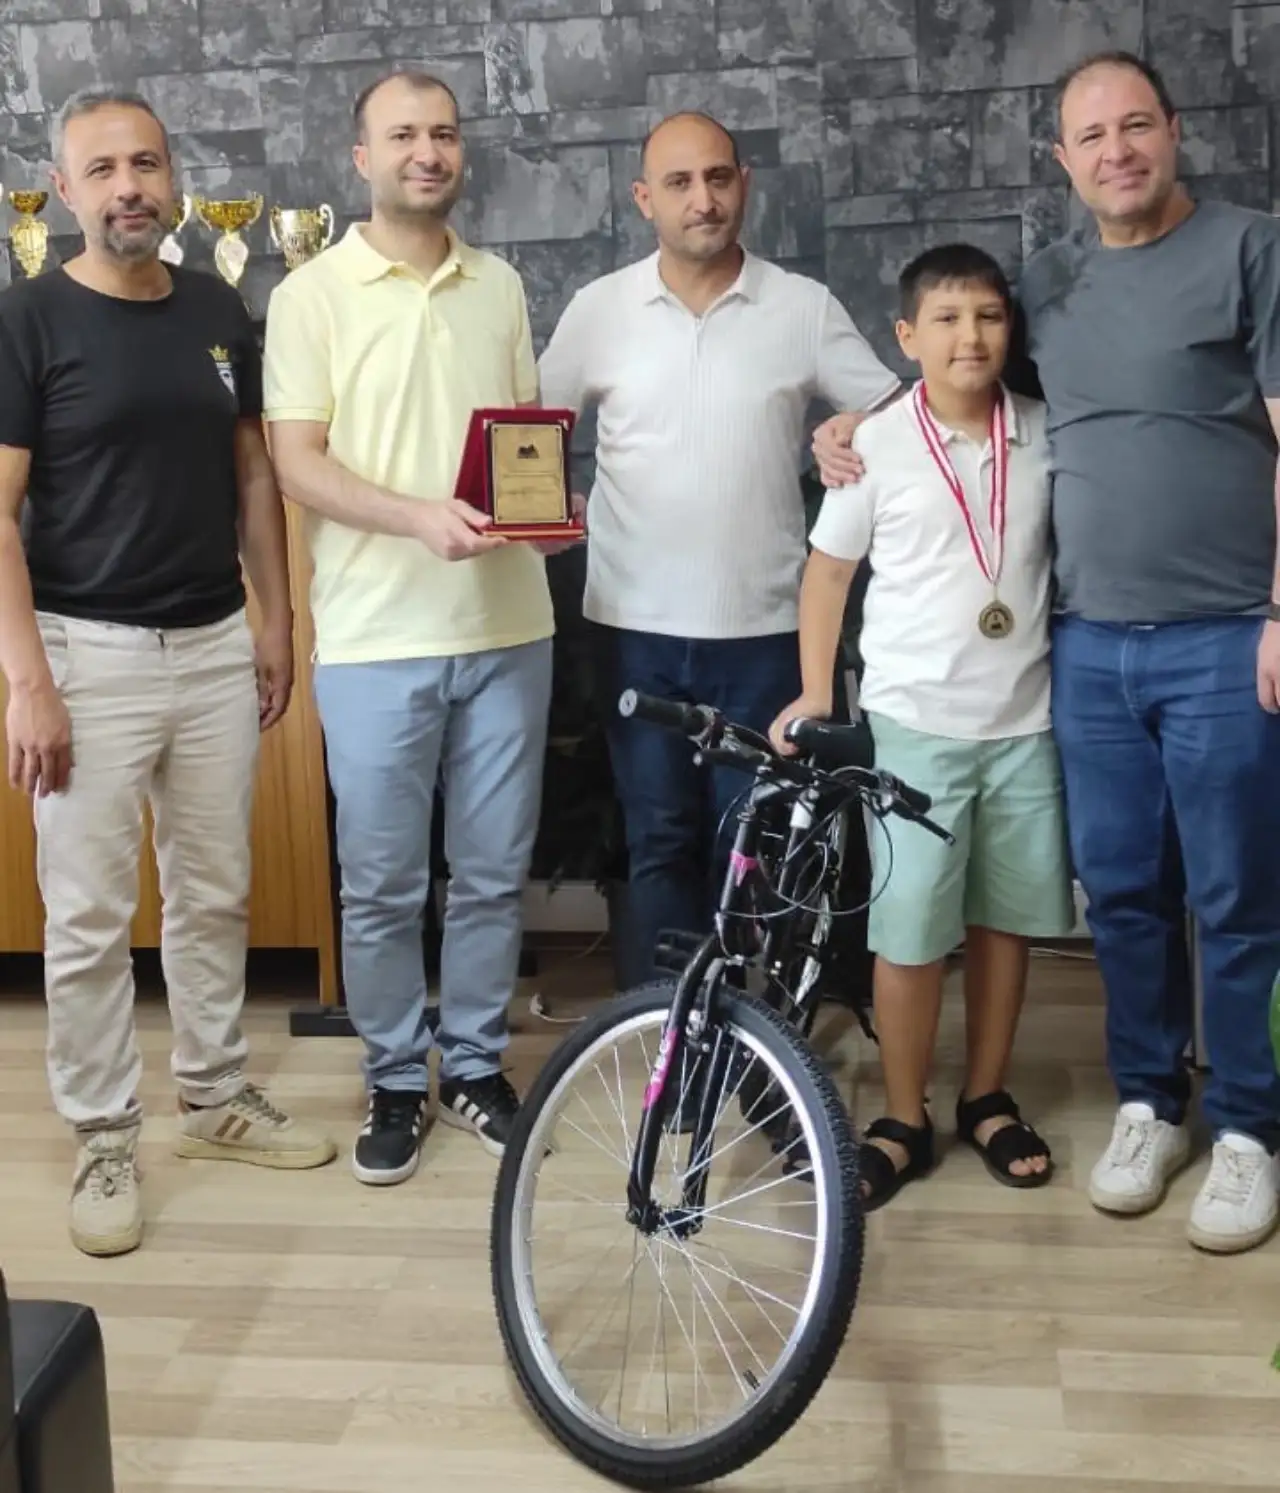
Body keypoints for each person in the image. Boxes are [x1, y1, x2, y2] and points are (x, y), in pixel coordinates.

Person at [812, 51, 1280, 1254]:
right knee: (1119, 893)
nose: (1116, 151)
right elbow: (953, 384)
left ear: (1171, 130)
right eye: (1090, 135)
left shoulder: (1250, 249)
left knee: (1235, 893)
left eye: (1135, 125)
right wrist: (854, 422)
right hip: (1083, 650)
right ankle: (1147, 1101)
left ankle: (1246, 1124)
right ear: (1060, 159)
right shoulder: (1048, 288)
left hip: (1229, 633)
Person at [0, 89, 337, 1258]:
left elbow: (252, 473)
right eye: (102, 169)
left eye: (145, 163)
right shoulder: (26, 318)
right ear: (64, 188)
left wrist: (275, 617)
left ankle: (214, 1095)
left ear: (173, 177)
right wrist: (27, 680)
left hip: (210, 647)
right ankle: (103, 1134)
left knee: (213, 889)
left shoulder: (215, 306)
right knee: (90, 915)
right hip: (83, 654)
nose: (128, 187)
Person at [263, 70, 568, 1186]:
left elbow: (519, 442)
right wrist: (415, 517)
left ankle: (475, 1065)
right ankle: (394, 1075)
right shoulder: (311, 295)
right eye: (402, 136)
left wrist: (543, 516)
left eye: (442, 133)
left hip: (508, 629)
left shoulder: (501, 284)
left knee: (490, 874)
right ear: (362, 158)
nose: (426, 152)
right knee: (382, 885)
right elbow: (296, 462)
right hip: (374, 640)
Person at [537, 110, 901, 991]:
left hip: (767, 635)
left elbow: (903, 419)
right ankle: (669, 1033)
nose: (703, 199)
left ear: (744, 184)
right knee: (659, 839)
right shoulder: (600, 311)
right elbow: (529, 433)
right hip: (634, 629)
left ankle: (749, 1038)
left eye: (718, 178)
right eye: (679, 183)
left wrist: (851, 426)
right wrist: (546, 501)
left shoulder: (801, 307)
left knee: (756, 847)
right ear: (644, 199)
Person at [770, 244, 1075, 1208]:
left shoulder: (1045, 431)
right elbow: (827, 575)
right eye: (945, 319)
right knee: (908, 934)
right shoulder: (874, 444)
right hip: (914, 727)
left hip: (1025, 721)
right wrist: (816, 693)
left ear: (1010, 328)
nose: (969, 337)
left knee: (1005, 921)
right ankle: (903, 1116)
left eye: (987, 316)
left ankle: (986, 1095)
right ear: (907, 336)